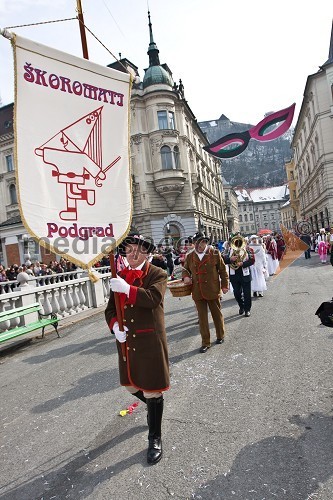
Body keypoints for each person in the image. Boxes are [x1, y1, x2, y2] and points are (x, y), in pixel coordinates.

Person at [105, 233, 169, 465]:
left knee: (152, 389)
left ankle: (155, 437)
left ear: (147, 253)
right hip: (127, 342)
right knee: (131, 385)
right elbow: (110, 310)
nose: (133, 254)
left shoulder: (158, 273)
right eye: (129, 249)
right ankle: (154, 408)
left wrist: (127, 289)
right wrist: (114, 327)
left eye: (138, 250)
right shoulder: (119, 275)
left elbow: (153, 299)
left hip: (149, 341)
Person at [182, 232, 229, 353]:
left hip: (212, 288)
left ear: (205, 242)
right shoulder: (190, 256)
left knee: (216, 315)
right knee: (202, 318)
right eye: (196, 242)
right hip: (198, 291)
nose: (198, 245)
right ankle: (205, 342)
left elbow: (223, 271)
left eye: (201, 242)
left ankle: (220, 335)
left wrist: (224, 285)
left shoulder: (214, 253)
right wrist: (186, 277)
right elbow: (185, 270)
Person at [223, 234, 255, 317]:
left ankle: (247, 309)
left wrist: (243, 263)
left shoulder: (248, 249)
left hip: (245, 274)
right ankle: (241, 306)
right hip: (234, 275)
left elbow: (252, 260)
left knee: (247, 293)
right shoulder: (228, 250)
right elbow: (222, 259)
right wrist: (230, 259)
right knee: (236, 293)